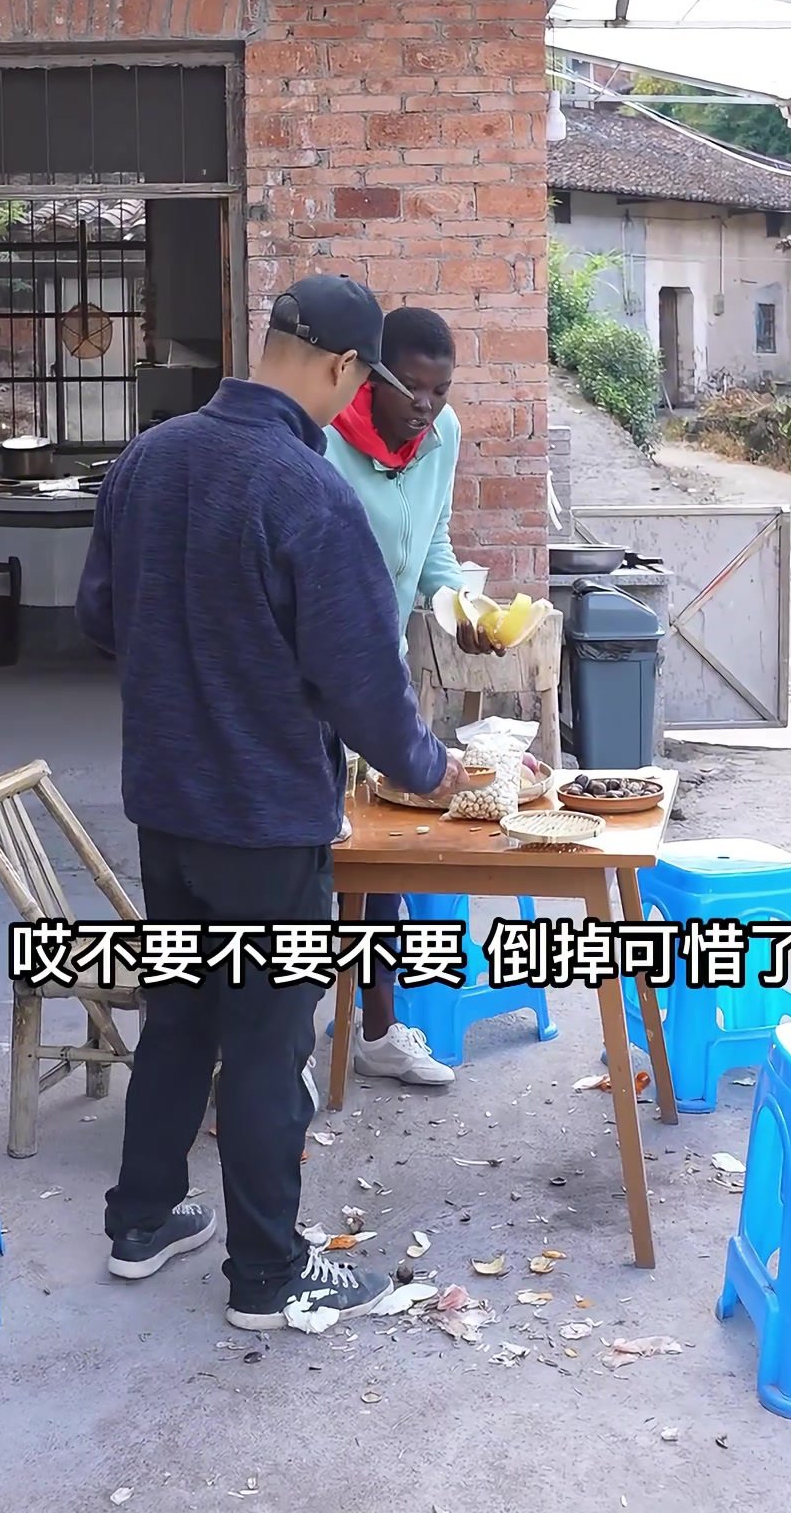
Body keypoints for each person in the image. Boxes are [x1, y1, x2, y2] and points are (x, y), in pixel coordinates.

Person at [76, 274, 470, 1332]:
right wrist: (433, 769)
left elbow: (100, 616)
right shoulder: (308, 492)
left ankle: (142, 1221)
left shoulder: (148, 460)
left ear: (271, 342)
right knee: (264, 1044)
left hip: (167, 805)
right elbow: (361, 683)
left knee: (182, 1017)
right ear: (347, 373)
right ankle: (266, 1274)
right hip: (267, 819)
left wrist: (190, 657)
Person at [324, 306, 494, 1087]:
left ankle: (378, 1029)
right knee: (307, 868)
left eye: (441, 391)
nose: (426, 407)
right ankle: (281, 1047)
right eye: (412, 388)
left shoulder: (442, 437)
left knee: (386, 858)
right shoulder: (321, 439)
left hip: (382, 673)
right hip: (309, 682)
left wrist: (459, 608)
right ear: (370, 376)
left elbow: (434, 543)